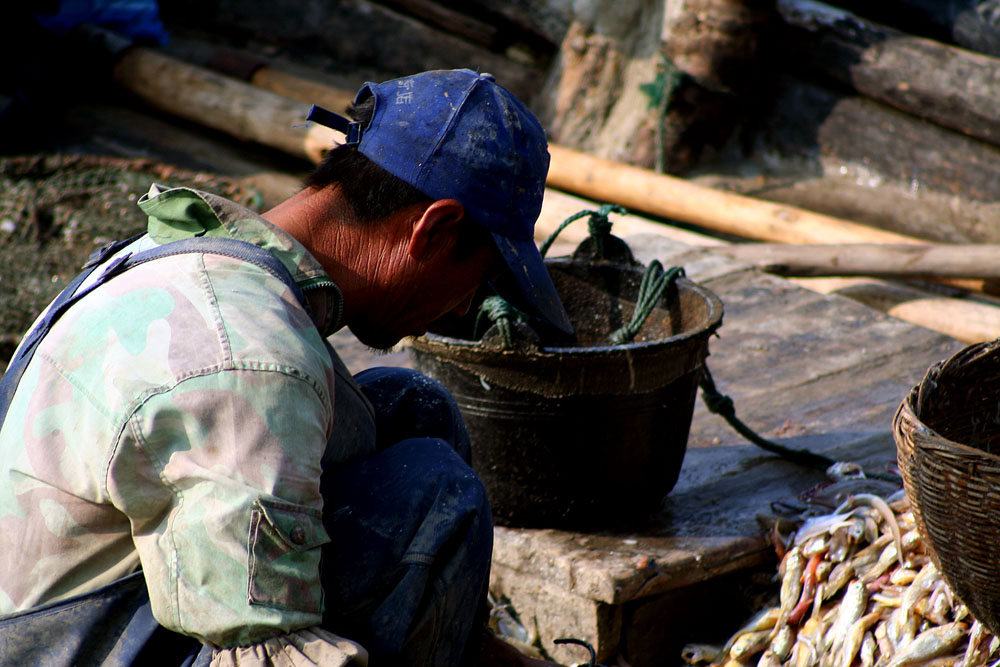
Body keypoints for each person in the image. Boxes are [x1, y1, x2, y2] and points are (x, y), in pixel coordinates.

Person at [0, 69, 571, 665]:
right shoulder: (247, 357)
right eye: (477, 280)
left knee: (410, 410)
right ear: (434, 228)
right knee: (435, 495)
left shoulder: (198, 258)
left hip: (103, 612)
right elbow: (261, 658)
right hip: (68, 647)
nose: (461, 306)